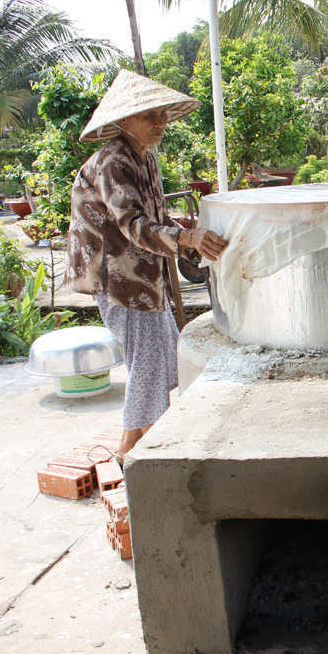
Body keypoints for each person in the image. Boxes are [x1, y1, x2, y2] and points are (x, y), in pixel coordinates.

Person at [65, 70, 228, 463]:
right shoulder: (113, 162)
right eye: (149, 115)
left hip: (142, 275)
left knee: (160, 354)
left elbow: (157, 218)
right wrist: (185, 239)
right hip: (116, 277)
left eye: (164, 114)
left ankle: (134, 441)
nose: (160, 123)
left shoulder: (145, 158)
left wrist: (189, 243)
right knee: (149, 362)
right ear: (123, 121)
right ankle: (133, 450)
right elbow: (133, 224)